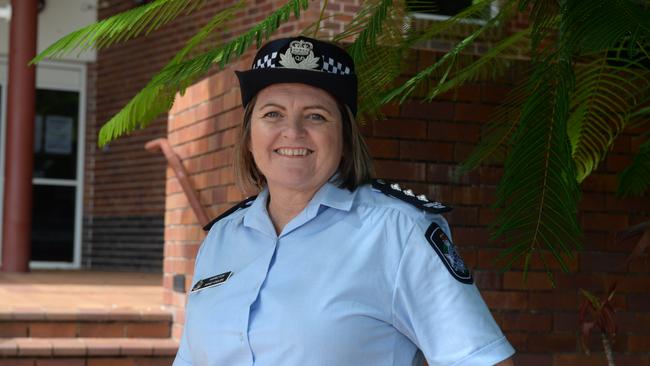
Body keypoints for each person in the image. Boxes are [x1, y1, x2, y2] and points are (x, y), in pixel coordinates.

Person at [173, 36, 515, 366]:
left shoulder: (398, 231)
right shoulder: (221, 238)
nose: (292, 131)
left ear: (345, 137)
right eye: (272, 114)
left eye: (316, 116)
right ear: (249, 136)